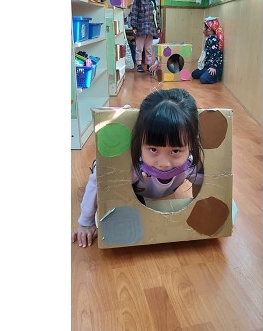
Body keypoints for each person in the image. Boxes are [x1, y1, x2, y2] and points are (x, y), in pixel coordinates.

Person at [72, 88, 204, 247]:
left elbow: (212, 181)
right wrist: (85, 222)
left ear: (191, 145)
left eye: (175, 151)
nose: (164, 163)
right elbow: (98, 180)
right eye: (153, 149)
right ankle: (97, 162)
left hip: (152, 190)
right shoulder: (133, 169)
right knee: (102, 168)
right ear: (140, 142)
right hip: (133, 182)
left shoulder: (190, 165)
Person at [129, 0, 161, 73]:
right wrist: (134, 26)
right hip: (140, 29)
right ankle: (139, 64)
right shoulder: (138, 1)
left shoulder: (152, 1)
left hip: (151, 29)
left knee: (149, 48)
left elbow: (156, 15)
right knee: (139, 48)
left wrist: (158, 26)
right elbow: (134, 14)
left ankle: (148, 64)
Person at [192, 17, 224, 84]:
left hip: (214, 68)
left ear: (209, 29)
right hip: (207, 67)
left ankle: (215, 76)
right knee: (194, 74)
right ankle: (206, 73)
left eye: (204, 28)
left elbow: (216, 55)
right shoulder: (209, 39)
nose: (203, 30)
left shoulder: (214, 40)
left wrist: (213, 67)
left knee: (203, 79)